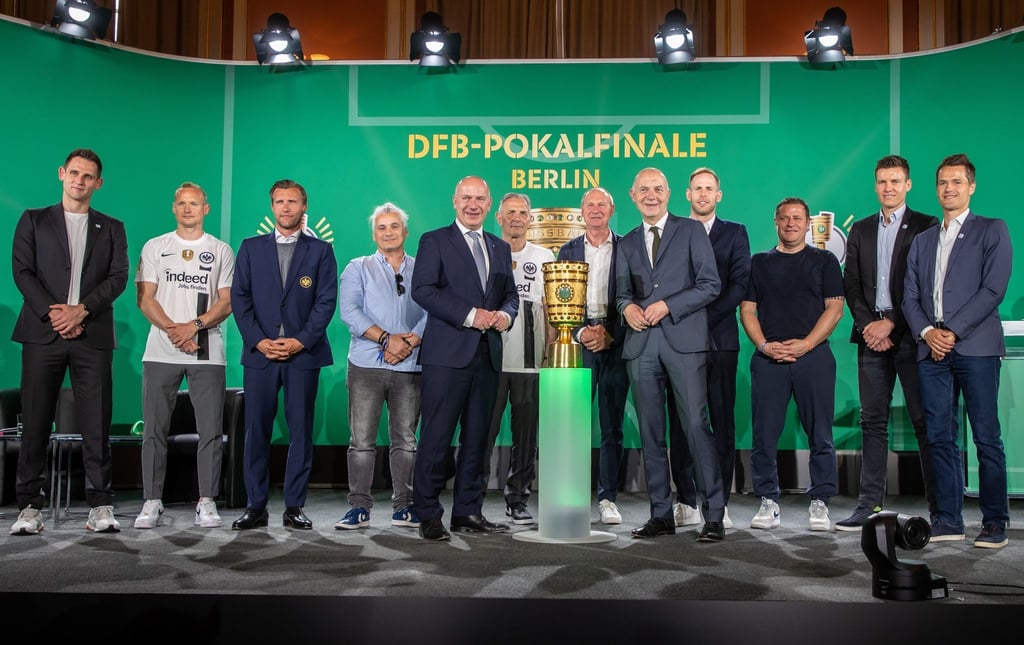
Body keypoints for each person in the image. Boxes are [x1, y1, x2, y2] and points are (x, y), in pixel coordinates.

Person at [9, 148, 129, 536]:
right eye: (74, 173)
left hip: (91, 336)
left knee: (96, 424)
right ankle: (29, 507)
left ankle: (100, 505)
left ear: (98, 183)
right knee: (35, 423)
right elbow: (22, 271)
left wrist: (82, 311)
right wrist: (56, 314)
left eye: (88, 176)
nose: (80, 180)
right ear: (62, 174)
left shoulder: (112, 227)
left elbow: (118, 277)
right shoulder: (33, 219)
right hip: (42, 334)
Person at [903, 153, 1012, 548]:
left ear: (971, 186)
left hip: (975, 349)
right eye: (943, 183)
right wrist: (928, 332)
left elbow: (993, 289)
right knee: (939, 437)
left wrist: (950, 331)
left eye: (956, 182)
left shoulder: (992, 230)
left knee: (986, 437)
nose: (948, 189)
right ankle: (948, 519)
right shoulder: (923, 240)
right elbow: (910, 296)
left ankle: (995, 522)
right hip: (931, 351)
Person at [615, 167, 726, 542]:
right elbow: (621, 294)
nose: (651, 195)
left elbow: (710, 284)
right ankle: (661, 514)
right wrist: (627, 308)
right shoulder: (627, 242)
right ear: (633, 195)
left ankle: (714, 515)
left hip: (685, 341)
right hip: (641, 345)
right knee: (650, 433)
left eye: (658, 189)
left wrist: (668, 305)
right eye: (644, 189)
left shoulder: (691, 230)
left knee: (695, 426)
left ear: (668, 193)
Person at [411, 175, 519, 541]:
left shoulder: (499, 246)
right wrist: (472, 315)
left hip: (488, 356)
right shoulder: (434, 240)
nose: (473, 204)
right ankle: (428, 514)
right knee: (436, 437)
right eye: (466, 198)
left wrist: (504, 315)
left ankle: (468, 511)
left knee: (478, 439)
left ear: (489, 204)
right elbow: (423, 290)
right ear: (455, 202)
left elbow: (510, 296)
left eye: (480, 199)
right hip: (446, 356)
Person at [836, 155, 938, 531]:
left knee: (923, 420)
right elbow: (851, 283)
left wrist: (891, 324)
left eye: (895, 181)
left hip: (911, 336)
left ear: (908, 185)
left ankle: (941, 508)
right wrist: (869, 326)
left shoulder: (926, 225)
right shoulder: (861, 229)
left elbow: (925, 284)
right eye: (882, 182)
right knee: (873, 421)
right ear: (875, 185)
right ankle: (869, 505)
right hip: (870, 339)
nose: (888, 188)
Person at [230, 179, 337, 531]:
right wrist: (259, 341)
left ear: (304, 207)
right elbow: (239, 298)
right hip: (260, 355)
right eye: (280, 201)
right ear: (272, 206)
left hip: (302, 356)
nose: (286, 207)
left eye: (293, 201)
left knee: (300, 432)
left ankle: (294, 506)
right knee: (255, 431)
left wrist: (300, 341)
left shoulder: (321, 251)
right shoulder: (250, 248)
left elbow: (325, 302)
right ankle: (255, 506)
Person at [133, 182, 235, 530]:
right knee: (153, 430)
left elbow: (226, 302)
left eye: (194, 203)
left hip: (207, 352)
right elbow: (145, 298)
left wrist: (192, 327)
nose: (188, 209)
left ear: (206, 209)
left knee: (210, 430)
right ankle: (152, 500)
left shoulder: (221, 250)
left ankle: (206, 500)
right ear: (173, 208)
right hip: (160, 350)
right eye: (182, 203)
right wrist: (174, 331)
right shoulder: (155, 246)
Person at [740, 197, 844, 532]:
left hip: (814, 357)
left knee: (821, 433)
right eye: (784, 218)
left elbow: (835, 309)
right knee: (764, 435)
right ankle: (768, 501)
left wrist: (807, 344)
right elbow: (747, 310)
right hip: (769, 359)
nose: (791, 224)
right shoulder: (759, 263)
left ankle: (820, 501)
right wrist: (764, 346)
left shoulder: (825, 261)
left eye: (797, 218)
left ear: (808, 223)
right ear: (776, 222)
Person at [336, 202, 426, 530]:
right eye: (381, 228)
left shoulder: (424, 268)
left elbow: (433, 310)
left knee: (406, 441)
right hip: (365, 366)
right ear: (374, 235)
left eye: (394, 226)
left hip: (410, 365)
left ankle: (405, 507)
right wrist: (388, 339)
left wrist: (409, 342)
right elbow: (350, 311)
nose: (388, 233)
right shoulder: (357, 267)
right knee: (361, 441)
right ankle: (359, 507)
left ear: (405, 232)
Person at [669, 167, 750, 531]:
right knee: (681, 422)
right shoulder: (673, 230)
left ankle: (719, 502)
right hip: (677, 341)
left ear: (718, 195)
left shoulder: (735, 233)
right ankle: (686, 500)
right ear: (688, 194)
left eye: (709, 189)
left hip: (719, 340)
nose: (702, 194)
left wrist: (701, 317)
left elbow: (739, 285)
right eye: (697, 188)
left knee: (720, 421)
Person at [558, 186, 630, 525]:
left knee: (611, 425)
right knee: (572, 423)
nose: (596, 209)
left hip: (616, 343)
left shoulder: (628, 247)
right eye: (590, 204)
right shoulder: (568, 250)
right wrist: (579, 332)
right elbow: (559, 300)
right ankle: (569, 495)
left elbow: (635, 295)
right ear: (582, 211)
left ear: (612, 209)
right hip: (579, 344)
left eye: (602, 204)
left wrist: (611, 333)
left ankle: (607, 497)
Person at [482, 192, 554, 525]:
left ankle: (517, 498)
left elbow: (551, 309)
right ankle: (473, 497)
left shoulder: (544, 256)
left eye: (522, 213)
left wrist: (549, 352)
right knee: (483, 431)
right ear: (499, 217)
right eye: (509, 212)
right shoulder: (487, 251)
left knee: (526, 436)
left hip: (530, 361)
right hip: (492, 360)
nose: (516, 218)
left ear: (530, 219)